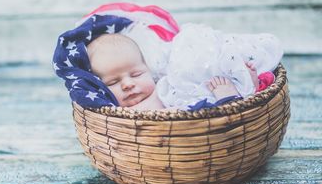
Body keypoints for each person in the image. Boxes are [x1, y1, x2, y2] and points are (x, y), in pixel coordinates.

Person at [87, 33, 259, 110]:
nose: (128, 84)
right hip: (197, 111)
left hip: (191, 91)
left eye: (136, 74)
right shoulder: (124, 114)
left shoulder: (161, 82)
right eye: (113, 82)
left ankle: (242, 83)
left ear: (148, 70)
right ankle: (238, 97)